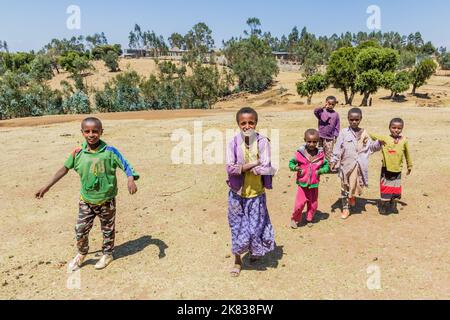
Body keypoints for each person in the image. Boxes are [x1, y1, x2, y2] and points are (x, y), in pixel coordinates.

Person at [35, 117, 139, 271]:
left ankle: (108, 254)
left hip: (106, 200)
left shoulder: (110, 152)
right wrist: (47, 186)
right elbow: (64, 169)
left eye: (95, 131)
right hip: (87, 200)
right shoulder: (77, 153)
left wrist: (130, 179)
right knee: (81, 228)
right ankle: (82, 252)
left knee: (108, 229)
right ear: (82, 133)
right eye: (87, 131)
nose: (91, 134)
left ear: (101, 132)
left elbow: (126, 165)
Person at [226, 107, 277, 277]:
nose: (247, 126)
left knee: (255, 227)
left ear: (256, 123)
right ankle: (237, 260)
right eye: (243, 123)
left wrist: (258, 168)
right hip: (237, 194)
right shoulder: (233, 143)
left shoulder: (263, 142)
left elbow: (269, 167)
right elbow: (231, 168)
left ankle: (255, 251)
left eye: (251, 122)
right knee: (237, 227)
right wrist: (254, 164)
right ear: (238, 124)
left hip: (256, 194)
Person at [330, 108, 382, 220]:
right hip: (345, 165)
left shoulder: (364, 133)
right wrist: (333, 160)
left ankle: (352, 196)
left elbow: (371, 147)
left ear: (360, 119)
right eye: (351, 119)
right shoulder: (343, 132)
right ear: (348, 119)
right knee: (344, 186)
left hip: (358, 166)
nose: (354, 122)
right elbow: (337, 147)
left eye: (356, 119)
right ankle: (345, 208)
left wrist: (379, 143)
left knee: (354, 185)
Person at [370, 118, 413, 214]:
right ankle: (383, 206)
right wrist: (362, 131)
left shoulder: (404, 140)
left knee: (395, 188)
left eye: (399, 128)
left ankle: (393, 204)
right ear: (389, 128)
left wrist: (409, 165)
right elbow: (372, 136)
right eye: (393, 127)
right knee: (386, 188)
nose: (396, 130)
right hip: (386, 169)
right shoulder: (385, 138)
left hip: (397, 169)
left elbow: (407, 154)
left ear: (402, 129)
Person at [289, 129, 330, 229]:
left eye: (314, 142)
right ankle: (294, 219)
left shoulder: (320, 155)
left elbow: (326, 166)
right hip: (302, 185)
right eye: (309, 141)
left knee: (313, 204)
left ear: (318, 141)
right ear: (305, 140)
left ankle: (309, 218)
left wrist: (319, 171)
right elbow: (291, 163)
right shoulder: (299, 154)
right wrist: (296, 168)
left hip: (314, 185)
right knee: (299, 204)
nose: (311, 144)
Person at [314, 96, 340, 166]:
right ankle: (319, 165)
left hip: (330, 138)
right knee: (320, 151)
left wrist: (336, 135)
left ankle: (329, 166)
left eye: (333, 104)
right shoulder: (321, 112)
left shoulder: (336, 115)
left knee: (329, 152)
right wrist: (322, 107)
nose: (331, 106)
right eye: (329, 103)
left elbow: (337, 126)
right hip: (320, 136)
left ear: (335, 104)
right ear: (326, 103)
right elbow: (315, 111)